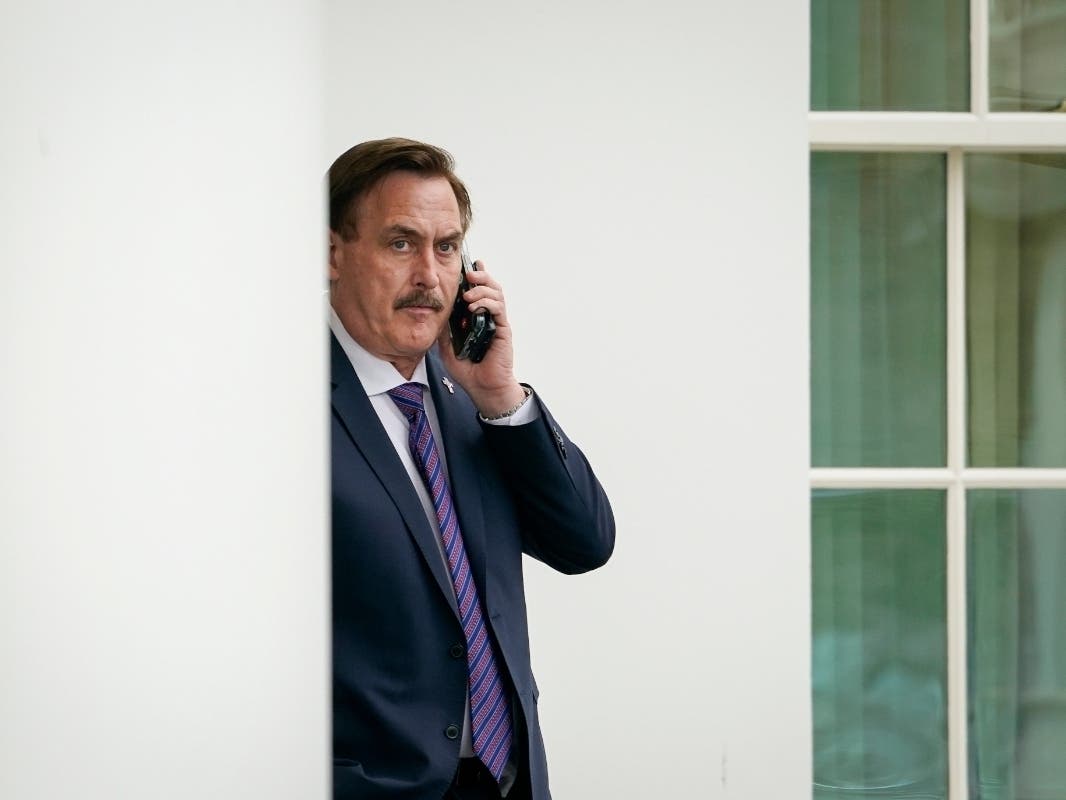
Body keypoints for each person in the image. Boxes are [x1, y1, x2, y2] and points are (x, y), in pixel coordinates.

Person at [328, 138, 616, 800]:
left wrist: (502, 399)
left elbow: (585, 543)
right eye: (401, 244)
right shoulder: (277, 407)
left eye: (447, 247)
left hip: (507, 782)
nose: (430, 275)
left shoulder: (473, 401)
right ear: (333, 253)